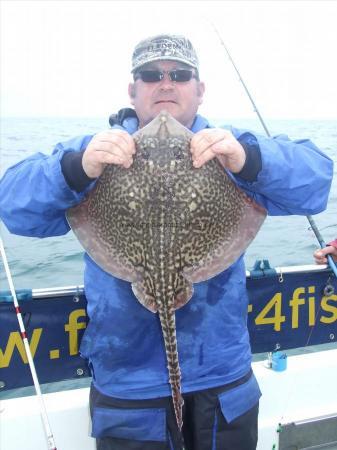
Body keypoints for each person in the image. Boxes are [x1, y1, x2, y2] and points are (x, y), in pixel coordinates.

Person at [0, 34, 333, 450]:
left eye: (180, 74)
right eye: (151, 74)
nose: (166, 83)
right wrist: (77, 167)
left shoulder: (229, 149)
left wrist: (248, 158)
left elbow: (316, 182)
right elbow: (12, 206)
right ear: (132, 89)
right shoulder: (95, 154)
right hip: (128, 387)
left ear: (200, 89)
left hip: (222, 378)